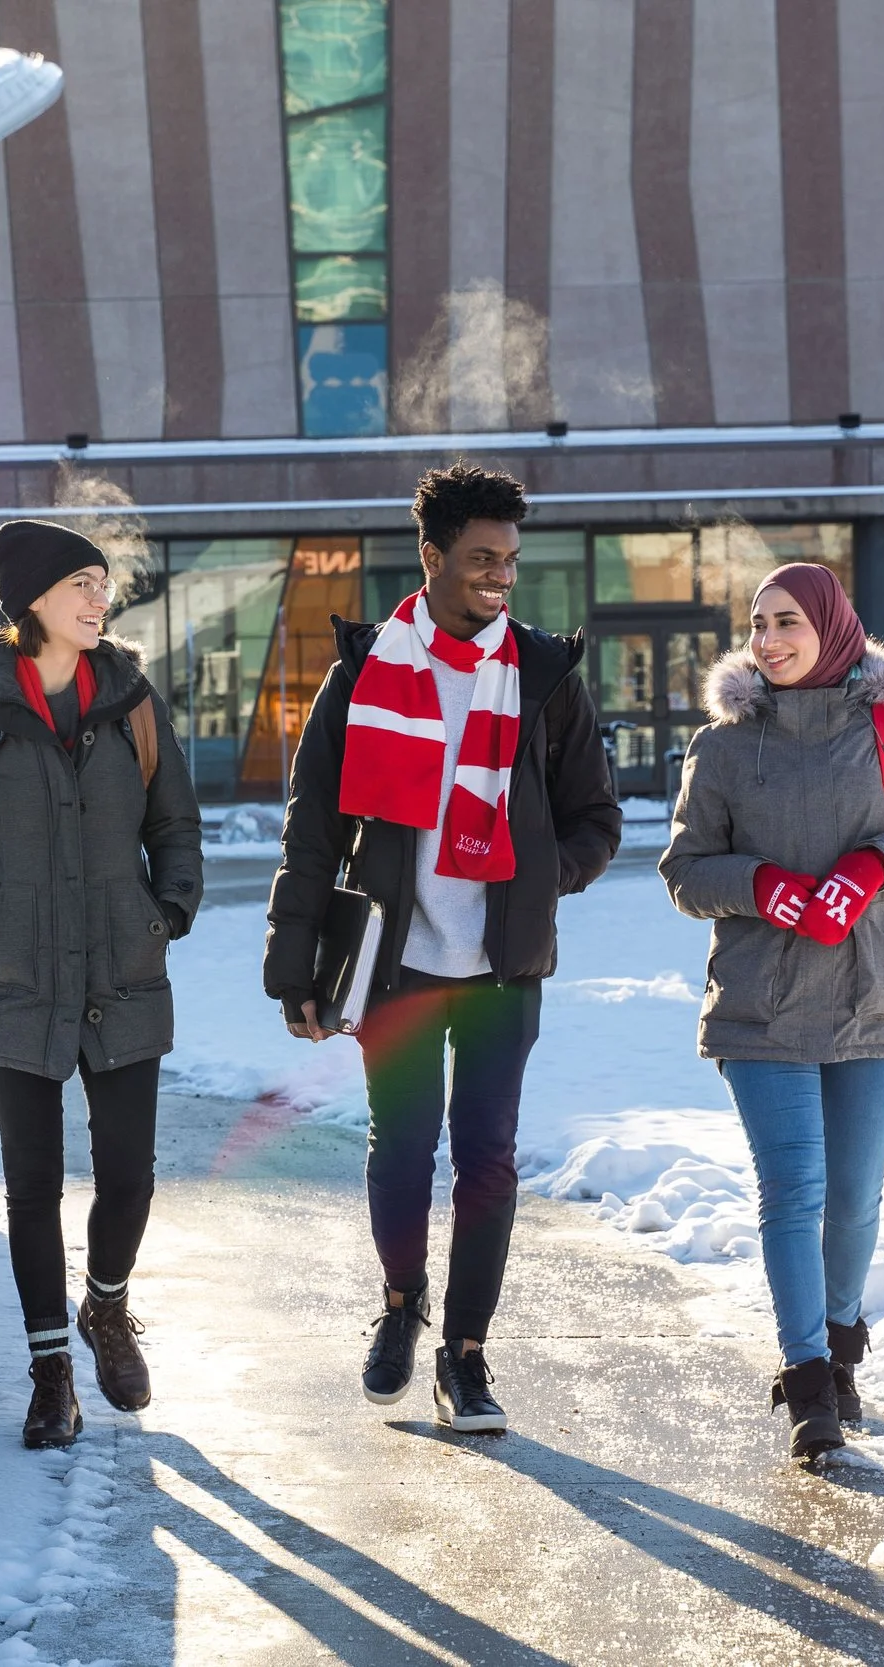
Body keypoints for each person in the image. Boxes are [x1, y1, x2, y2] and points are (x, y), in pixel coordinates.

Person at [264, 464, 622, 1433]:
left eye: (509, 559)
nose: (500, 577)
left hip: (503, 966)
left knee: (488, 1162)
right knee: (402, 1152)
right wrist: (292, 965)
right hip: (397, 958)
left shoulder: (543, 676)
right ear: (431, 557)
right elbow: (312, 829)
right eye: (479, 559)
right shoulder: (365, 670)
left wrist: (543, 875)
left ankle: (465, 1351)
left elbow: (596, 817)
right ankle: (398, 1304)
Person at [658, 561, 884, 1460]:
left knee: (854, 1198)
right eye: (758, 624)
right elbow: (683, 871)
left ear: (832, 625)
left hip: (873, 994)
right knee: (791, 1193)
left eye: (787, 621)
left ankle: (841, 1345)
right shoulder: (722, 746)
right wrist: (762, 886)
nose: (768, 640)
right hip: (761, 1004)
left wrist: (875, 864)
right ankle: (807, 1386)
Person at [0, 519, 204, 1450]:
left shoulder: (133, 700)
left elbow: (178, 828)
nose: (97, 598)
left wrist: (166, 912)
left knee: (129, 1176)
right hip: (17, 977)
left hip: (123, 969)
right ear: (31, 599)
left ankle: (105, 1308)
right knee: (31, 1188)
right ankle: (50, 1373)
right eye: (79, 582)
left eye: (102, 583)